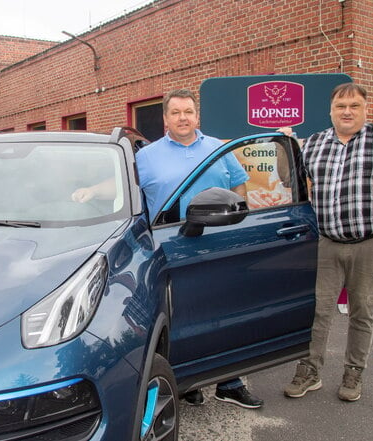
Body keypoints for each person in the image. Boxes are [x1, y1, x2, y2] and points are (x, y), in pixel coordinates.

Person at [73, 89, 263, 409]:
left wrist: (240, 217)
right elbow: (124, 187)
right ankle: (188, 381)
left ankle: (230, 382)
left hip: (218, 245)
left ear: (197, 116)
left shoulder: (219, 148)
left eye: (188, 111)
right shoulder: (147, 156)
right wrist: (91, 190)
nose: (183, 118)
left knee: (224, 310)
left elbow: (239, 184)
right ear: (165, 119)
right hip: (171, 245)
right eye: (175, 113)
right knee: (179, 316)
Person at [281, 83, 373, 402]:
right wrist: (286, 146)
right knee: (317, 309)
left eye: (354, 106)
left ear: (364, 109)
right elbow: (293, 181)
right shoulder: (315, 143)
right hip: (326, 242)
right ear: (330, 110)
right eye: (341, 106)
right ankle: (310, 370)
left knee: (362, 310)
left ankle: (353, 373)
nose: (347, 111)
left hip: (372, 243)